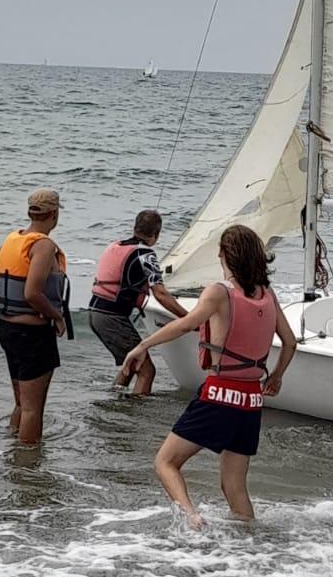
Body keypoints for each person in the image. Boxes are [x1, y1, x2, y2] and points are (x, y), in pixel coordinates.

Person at [120, 223, 297, 526]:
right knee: (234, 486)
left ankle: (192, 518)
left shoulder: (219, 293)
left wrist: (142, 345)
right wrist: (276, 376)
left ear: (225, 254)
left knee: (165, 462)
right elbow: (290, 343)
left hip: (220, 394)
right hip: (251, 400)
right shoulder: (267, 294)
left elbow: (186, 324)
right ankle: (248, 540)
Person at [0, 188, 70, 445]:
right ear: (54, 214)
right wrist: (57, 317)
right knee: (33, 409)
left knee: (21, 403)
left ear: (30, 213)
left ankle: (12, 446)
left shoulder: (12, 240)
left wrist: (6, 306)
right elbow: (32, 293)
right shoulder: (43, 245)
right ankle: (27, 461)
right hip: (33, 335)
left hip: (7, 330)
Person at [88, 210, 187, 394]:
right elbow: (161, 294)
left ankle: (115, 400)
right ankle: (135, 409)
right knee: (147, 370)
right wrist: (188, 318)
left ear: (135, 228)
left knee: (133, 364)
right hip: (112, 318)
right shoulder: (145, 254)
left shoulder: (115, 246)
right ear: (156, 234)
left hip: (95, 313)